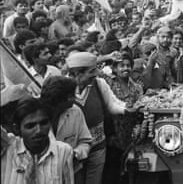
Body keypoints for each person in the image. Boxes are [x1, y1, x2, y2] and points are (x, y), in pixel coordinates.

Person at [66, 52, 143, 184]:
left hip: (97, 144)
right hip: (73, 147)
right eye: (91, 72)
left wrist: (126, 109)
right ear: (78, 73)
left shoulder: (99, 83)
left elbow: (112, 104)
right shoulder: (63, 87)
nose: (95, 74)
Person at [1, 98, 74, 184]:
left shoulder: (63, 151)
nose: (39, 130)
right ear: (17, 129)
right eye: (30, 126)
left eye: (44, 123)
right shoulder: (7, 149)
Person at [40, 76, 92, 183]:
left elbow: (86, 141)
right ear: (58, 100)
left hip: (73, 173)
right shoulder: (36, 117)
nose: (75, 98)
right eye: (71, 95)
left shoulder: (76, 112)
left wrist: (75, 154)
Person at [104, 53, 144, 184]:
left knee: (130, 166)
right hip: (113, 132)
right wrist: (107, 57)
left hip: (130, 132)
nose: (125, 68)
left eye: (128, 65)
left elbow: (140, 110)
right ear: (114, 69)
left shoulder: (137, 87)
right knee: (113, 167)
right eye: (121, 66)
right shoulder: (108, 83)